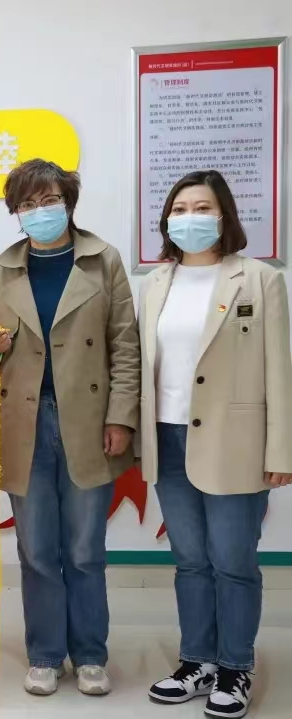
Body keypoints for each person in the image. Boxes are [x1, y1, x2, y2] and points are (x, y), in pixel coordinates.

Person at [0, 159, 140, 697]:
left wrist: (120, 416)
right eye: (27, 204)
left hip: (88, 421)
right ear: (16, 212)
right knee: (37, 550)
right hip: (23, 422)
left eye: (49, 200)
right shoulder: (0, 269)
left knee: (85, 549)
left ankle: (90, 654)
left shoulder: (102, 260)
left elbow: (125, 345)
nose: (39, 211)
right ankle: (46, 654)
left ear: (68, 202)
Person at [139, 170, 292, 719]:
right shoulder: (156, 282)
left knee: (233, 561)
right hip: (168, 437)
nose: (189, 218)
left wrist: (281, 451)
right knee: (190, 562)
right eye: (178, 209)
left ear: (223, 215)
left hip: (235, 441)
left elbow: (279, 369)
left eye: (201, 208)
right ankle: (197, 662)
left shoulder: (259, 279)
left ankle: (235, 666)